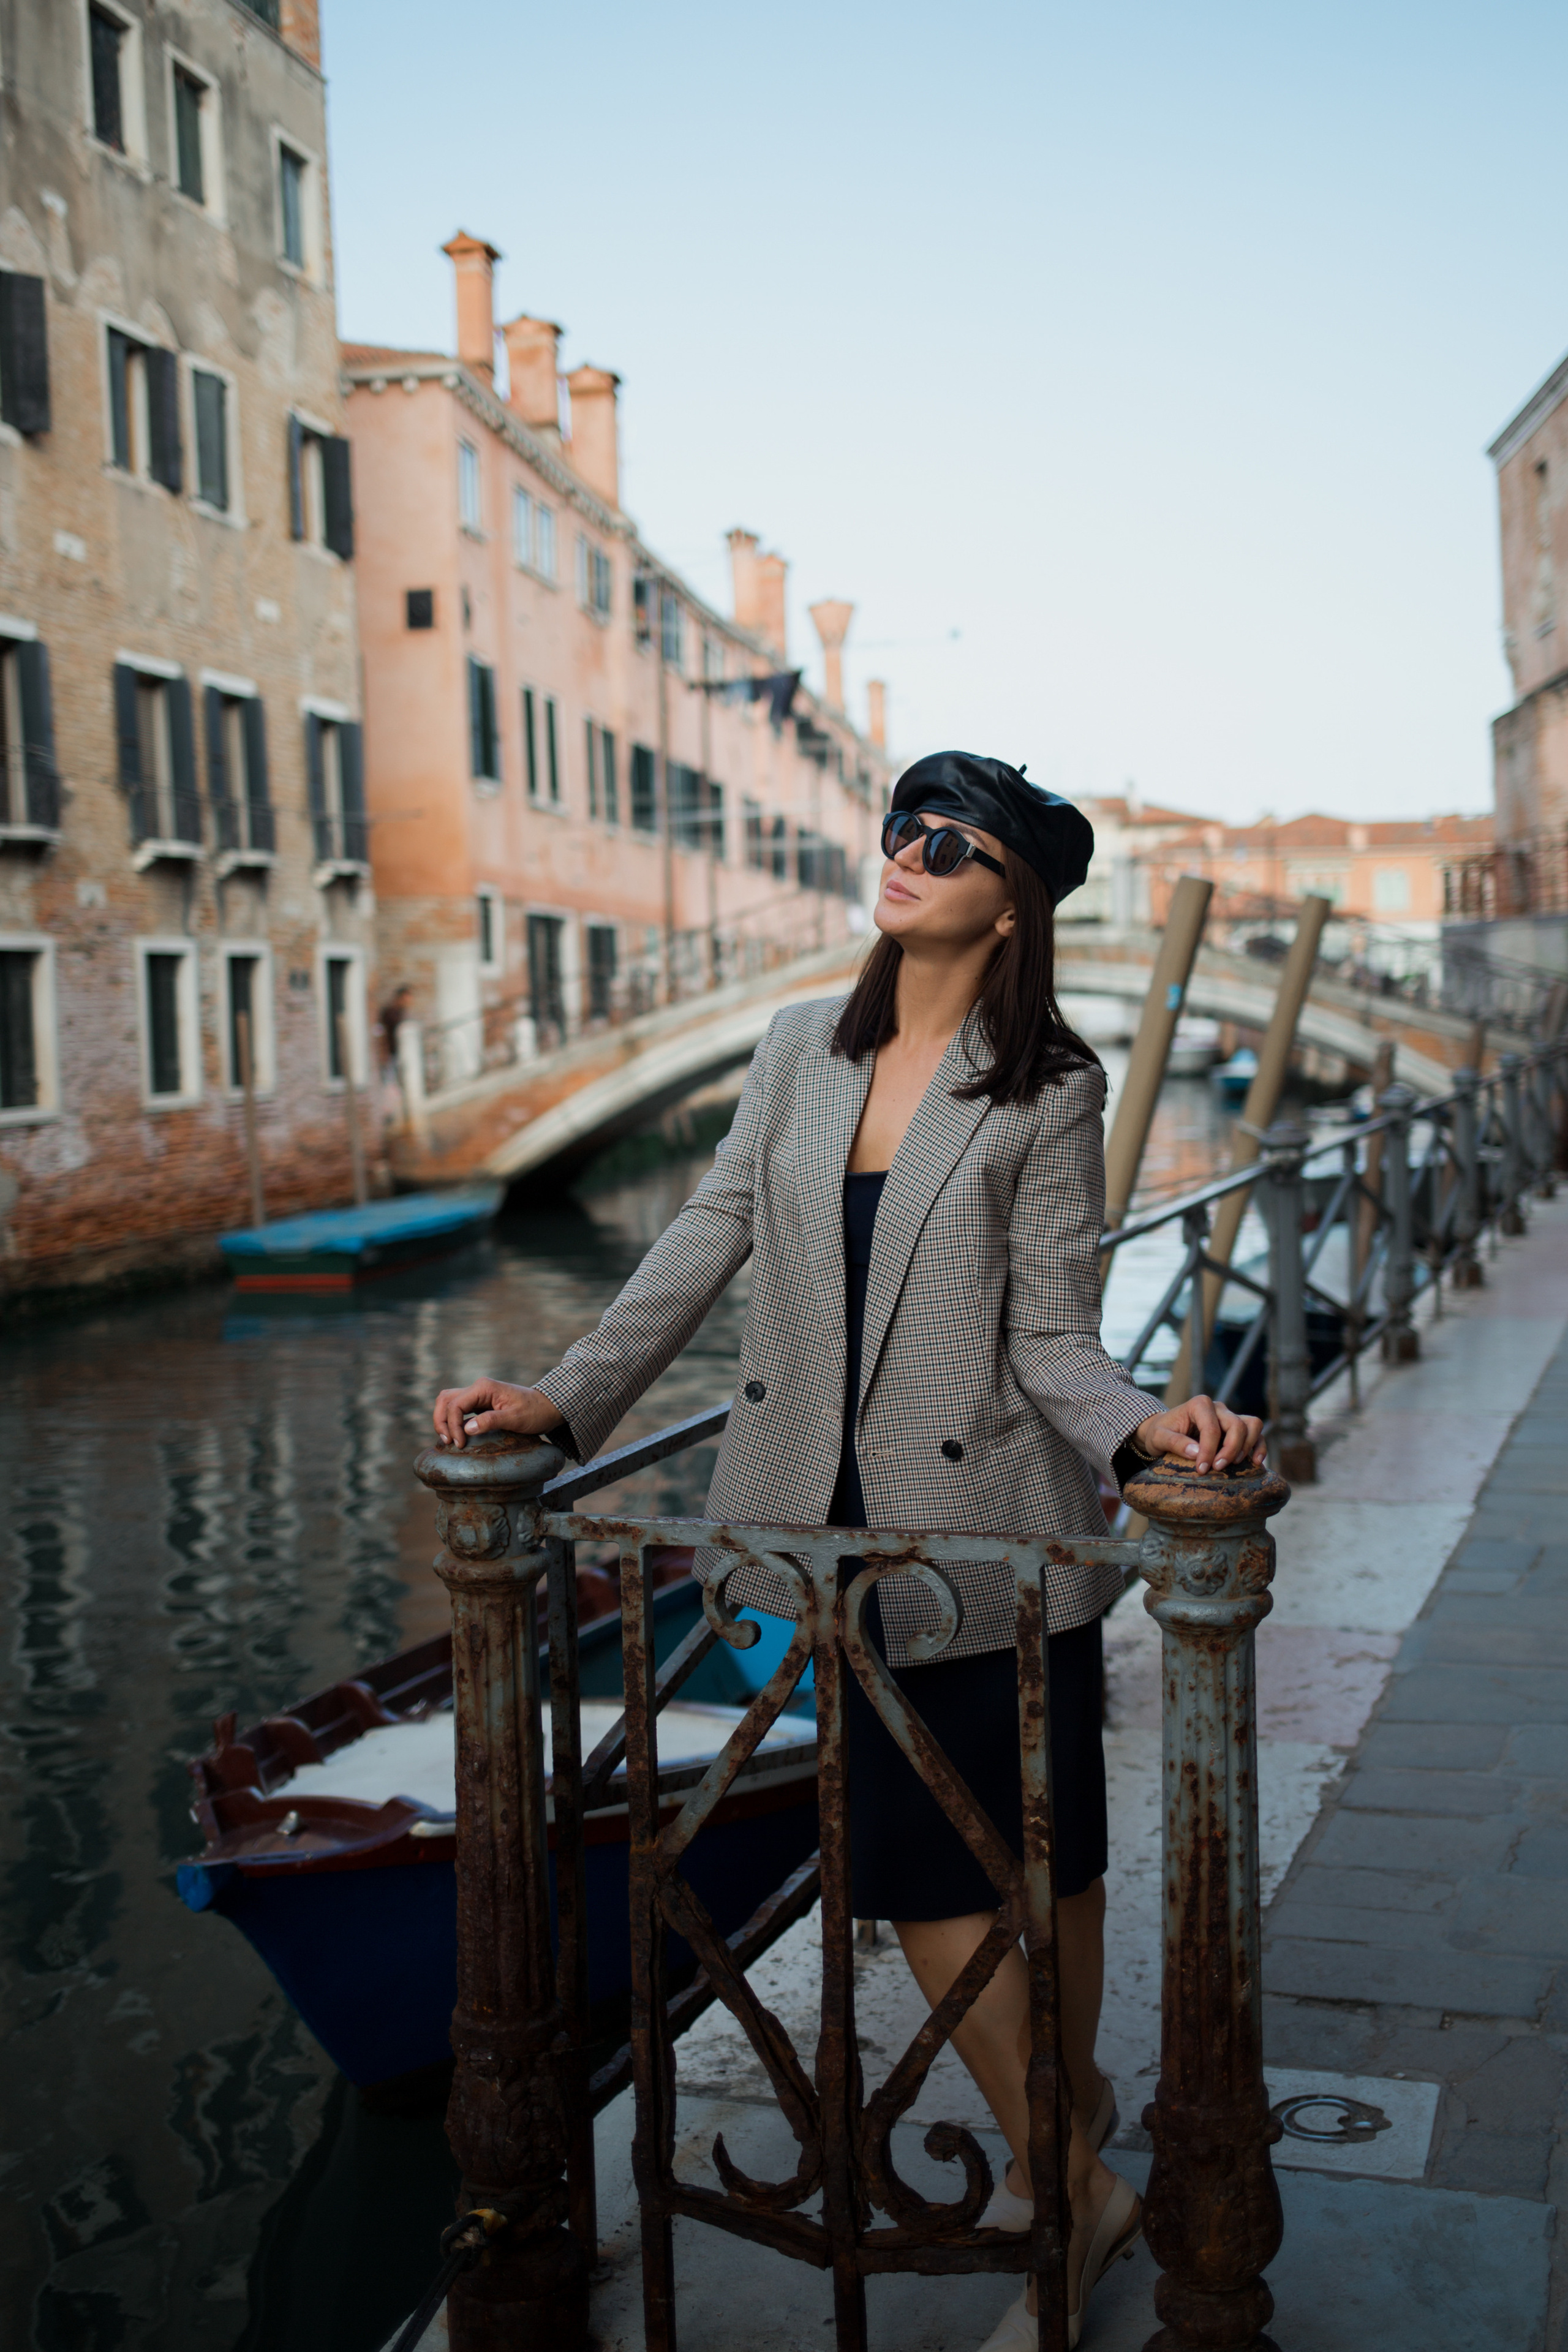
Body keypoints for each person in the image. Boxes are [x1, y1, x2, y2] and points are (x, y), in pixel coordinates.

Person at [431, 751, 1264, 2351]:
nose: (909, 853)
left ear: (1011, 908)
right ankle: (1072, 2176)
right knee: (907, 1870)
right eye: (903, 826)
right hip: (818, 1548)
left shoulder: (1051, 1090)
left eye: (951, 844)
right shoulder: (798, 1047)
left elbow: (1048, 1333)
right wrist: (567, 1395)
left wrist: (1148, 1428)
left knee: (1048, 1872)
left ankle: (1055, 2170)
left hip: (997, 1538)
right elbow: (704, 1239)